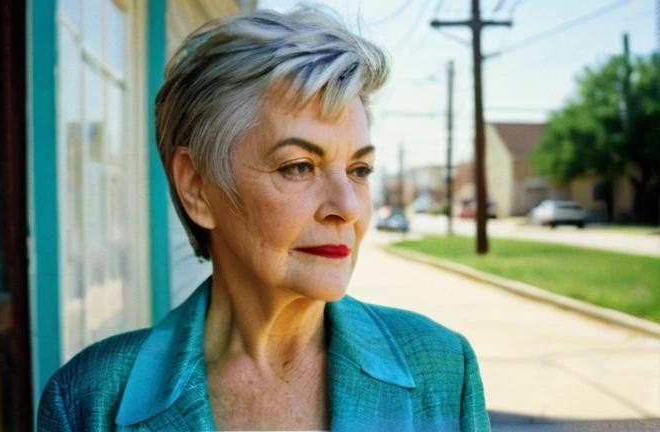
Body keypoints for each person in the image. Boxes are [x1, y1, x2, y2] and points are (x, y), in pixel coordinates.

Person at [38, 8, 490, 431]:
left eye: (359, 170)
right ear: (197, 187)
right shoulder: (89, 400)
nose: (347, 208)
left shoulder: (445, 369)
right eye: (298, 166)